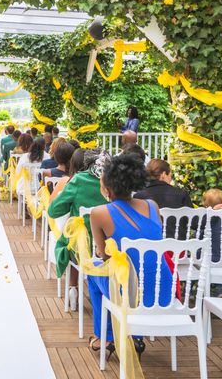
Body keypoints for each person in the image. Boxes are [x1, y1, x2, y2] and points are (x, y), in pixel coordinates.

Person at [87, 153, 172, 356]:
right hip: (162, 288)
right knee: (133, 271)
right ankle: (135, 338)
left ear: (107, 187)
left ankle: (106, 338)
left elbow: (105, 257)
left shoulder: (99, 213)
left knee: (93, 274)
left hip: (130, 293)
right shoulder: (152, 206)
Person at [48, 150, 110, 310]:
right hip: (112, 249)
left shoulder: (79, 180)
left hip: (83, 250)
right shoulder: (115, 182)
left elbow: (53, 211)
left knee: (74, 241)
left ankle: (73, 288)